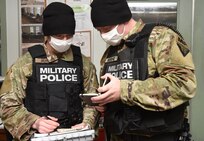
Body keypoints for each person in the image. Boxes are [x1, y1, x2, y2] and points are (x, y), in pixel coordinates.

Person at [90, 0, 197, 141]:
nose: (103, 34)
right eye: (99, 30)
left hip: (159, 135)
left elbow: (184, 84)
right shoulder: (110, 53)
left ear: (122, 19)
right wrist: (106, 103)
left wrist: (125, 90)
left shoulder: (160, 37)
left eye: (106, 28)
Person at [0, 2, 99, 141]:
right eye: (59, 36)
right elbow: (7, 107)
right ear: (47, 35)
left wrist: (87, 123)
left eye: (68, 35)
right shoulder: (25, 64)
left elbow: (93, 102)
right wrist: (35, 122)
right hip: (38, 137)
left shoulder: (84, 64)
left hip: (75, 136)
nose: (64, 40)